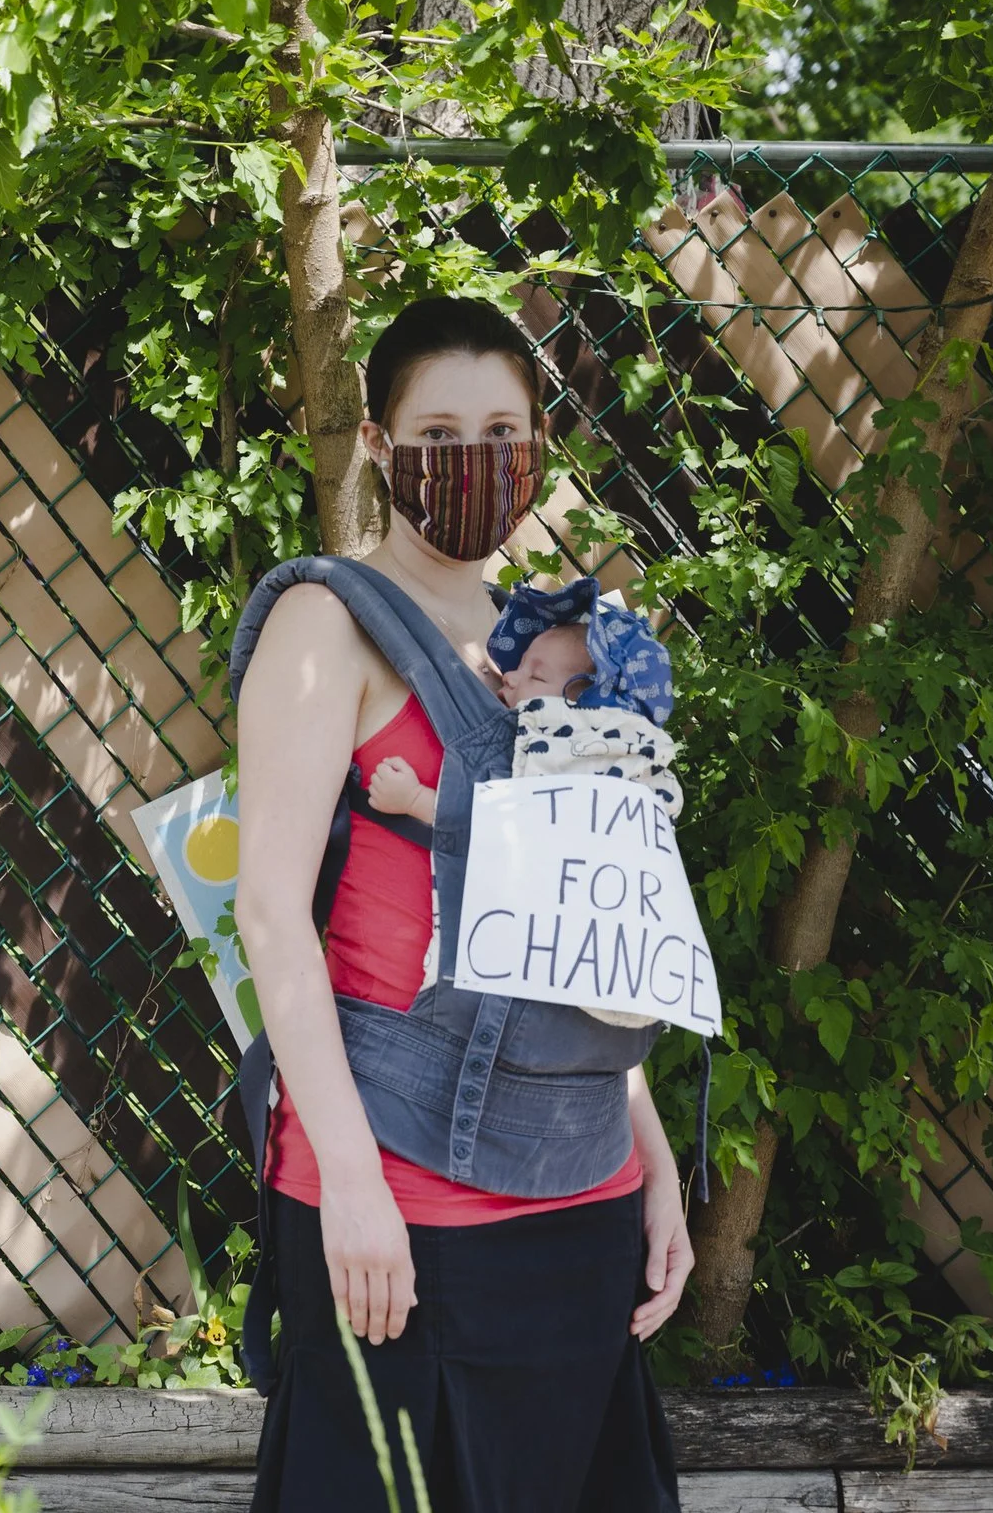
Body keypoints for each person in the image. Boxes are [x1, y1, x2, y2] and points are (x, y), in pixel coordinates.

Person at [229, 296, 691, 1513]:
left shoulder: (547, 650)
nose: (474, 459)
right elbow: (271, 913)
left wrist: (651, 1165)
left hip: (578, 1181)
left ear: (537, 446)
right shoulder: (325, 624)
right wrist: (352, 1186)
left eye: (502, 429)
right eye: (438, 430)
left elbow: (579, 922)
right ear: (380, 448)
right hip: (398, 1189)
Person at [367, 576, 685, 1029]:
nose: (508, 675)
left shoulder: (571, 755)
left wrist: (417, 799)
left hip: (535, 994)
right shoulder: (621, 770)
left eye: (536, 674)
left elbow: (508, 834)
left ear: (584, 703)